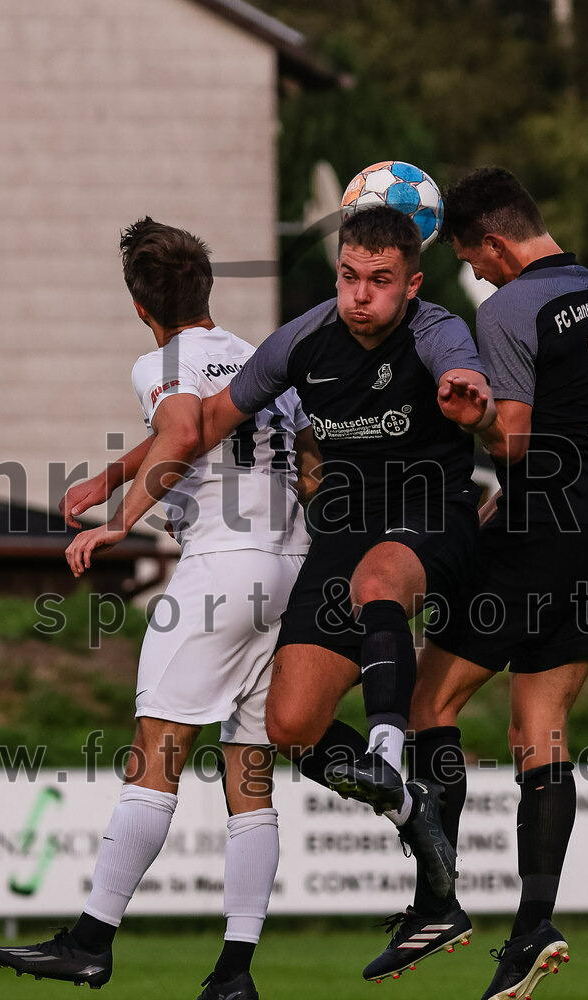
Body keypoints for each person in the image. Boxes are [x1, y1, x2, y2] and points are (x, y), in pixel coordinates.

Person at [0, 218, 317, 1000]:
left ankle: (92, 939)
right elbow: (296, 459)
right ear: (207, 290)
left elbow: (179, 429)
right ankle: (235, 972)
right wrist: (109, 475)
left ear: (142, 308)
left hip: (220, 569)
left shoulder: (161, 361)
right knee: (250, 773)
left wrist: (118, 521)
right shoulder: (261, 359)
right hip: (294, 567)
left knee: (157, 750)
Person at [366, 168, 588, 1000]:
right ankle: (532, 929)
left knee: (425, 705)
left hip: (538, 531)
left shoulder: (511, 307)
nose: (476, 276)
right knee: (538, 729)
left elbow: (515, 441)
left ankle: (437, 900)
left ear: (495, 242)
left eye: (474, 261)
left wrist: (468, 413)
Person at [192, 204, 495, 916]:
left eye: (379, 281)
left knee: (377, 579)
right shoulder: (302, 341)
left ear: (412, 284)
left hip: (434, 518)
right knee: (290, 725)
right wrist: (119, 494)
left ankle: (389, 754)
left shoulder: (437, 329)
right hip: (346, 531)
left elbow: (469, 381)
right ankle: (406, 803)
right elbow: (206, 420)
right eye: (349, 277)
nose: (360, 295)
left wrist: (471, 404)